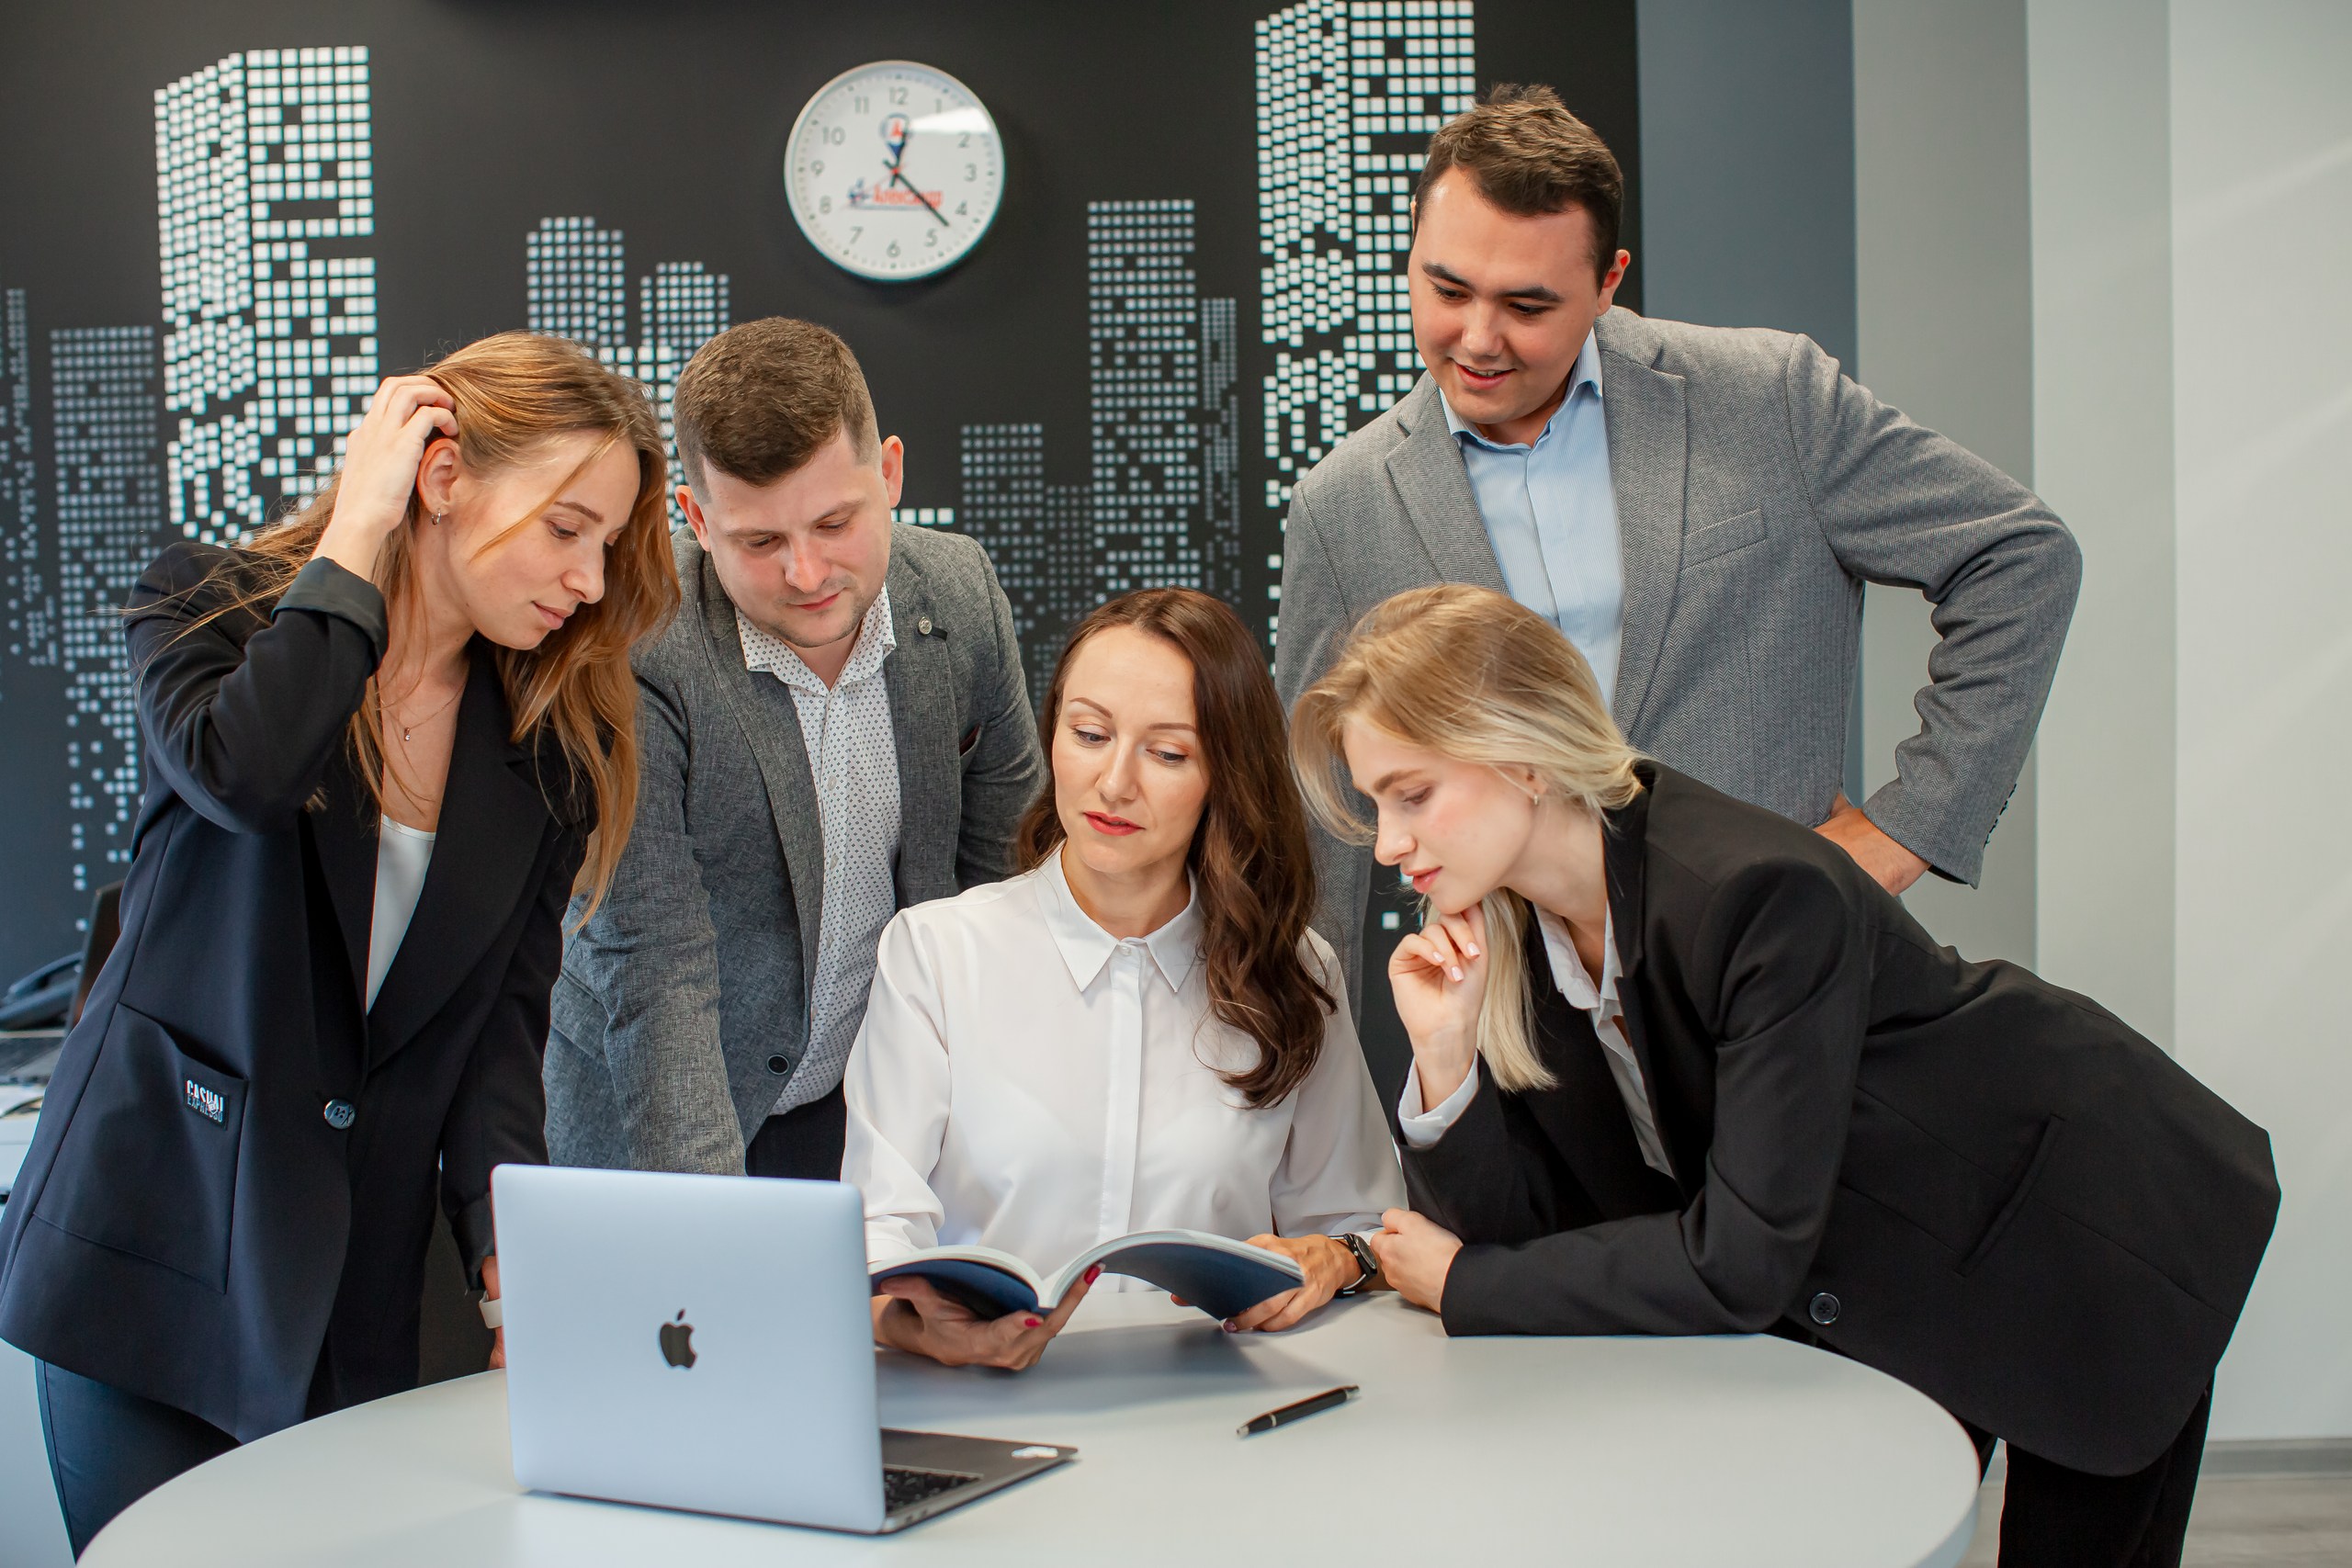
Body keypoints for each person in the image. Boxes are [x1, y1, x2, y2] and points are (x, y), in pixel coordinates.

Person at [1292, 584, 2276, 1568]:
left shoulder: (1757, 891)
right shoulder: (1511, 938)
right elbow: (1543, 1244)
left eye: (1410, 795)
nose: (1388, 845)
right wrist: (1447, 1057)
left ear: (1522, 752)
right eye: (1377, 804)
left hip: (2083, 1233)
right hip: (1880, 1276)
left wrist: (1465, 1284)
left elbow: (1737, 1260)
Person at [0, 333, 679, 1551]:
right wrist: (356, 535)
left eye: (607, 546)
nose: (586, 578)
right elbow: (248, 775)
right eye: (566, 527)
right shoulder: (204, 605)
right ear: (438, 475)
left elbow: (492, 1044)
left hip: (366, 1284)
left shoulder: (549, 749)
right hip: (158, 1253)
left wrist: (500, 1250)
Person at [1273, 85, 2082, 1010]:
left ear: (1610, 279)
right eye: (1445, 288)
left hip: (1790, 986)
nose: (1477, 338)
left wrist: (1907, 830)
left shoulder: (1768, 399)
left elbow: (2018, 557)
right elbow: (1317, 822)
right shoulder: (1343, 503)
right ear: (1412, 243)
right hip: (1526, 1035)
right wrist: (1309, 1073)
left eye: (1527, 304)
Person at [845, 590, 1404, 1370]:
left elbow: (1365, 1224)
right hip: (980, 1403)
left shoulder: (1294, 969)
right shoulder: (937, 953)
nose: (1113, 782)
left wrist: (1333, 1259)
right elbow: (873, 1234)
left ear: (1224, 773)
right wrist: (915, 1327)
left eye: (1167, 753)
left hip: (1218, 1409)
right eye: (1089, 734)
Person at [546, 319, 1042, 1181]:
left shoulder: (961, 595)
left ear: (888, 473)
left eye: (835, 522)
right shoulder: (634, 646)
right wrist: (713, 1233)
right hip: (666, 1117)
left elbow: (1005, 887)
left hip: (879, 1111)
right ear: (698, 519)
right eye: (761, 542)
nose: (808, 573)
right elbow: (655, 969)